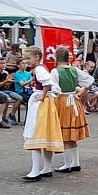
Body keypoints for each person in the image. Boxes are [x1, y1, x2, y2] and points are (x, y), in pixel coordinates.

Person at [21, 46, 63, 181]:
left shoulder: (39, 69)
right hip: (45, 102)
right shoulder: (41, 68)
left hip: (41, 104)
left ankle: (35, 170)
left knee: (35, 134)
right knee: (45, 135)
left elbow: (48, 83)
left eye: (28, 58)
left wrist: (43, 95)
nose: (26, 61)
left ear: (37, 57)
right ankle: (46, 167)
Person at [51, 46, 93, 173]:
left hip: (63, 102)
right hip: (74, 100)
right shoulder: (74, 69)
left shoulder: (55, 71)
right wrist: (81, 92)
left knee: (66, 135)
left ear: (57, 58)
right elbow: (90, 80)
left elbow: (54, 89)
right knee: (71, 135)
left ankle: (67, 164)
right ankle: (75, 163)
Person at [0, 57, 23, 125]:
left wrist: (9, 81)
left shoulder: (5, 72)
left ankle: (12, 115)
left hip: (5, 90)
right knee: (6, 98)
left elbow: (6, 86)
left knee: (19, 98)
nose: (3, 65)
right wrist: (6, 81)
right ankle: (3, 117)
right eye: (1, 63)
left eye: (4, 63)